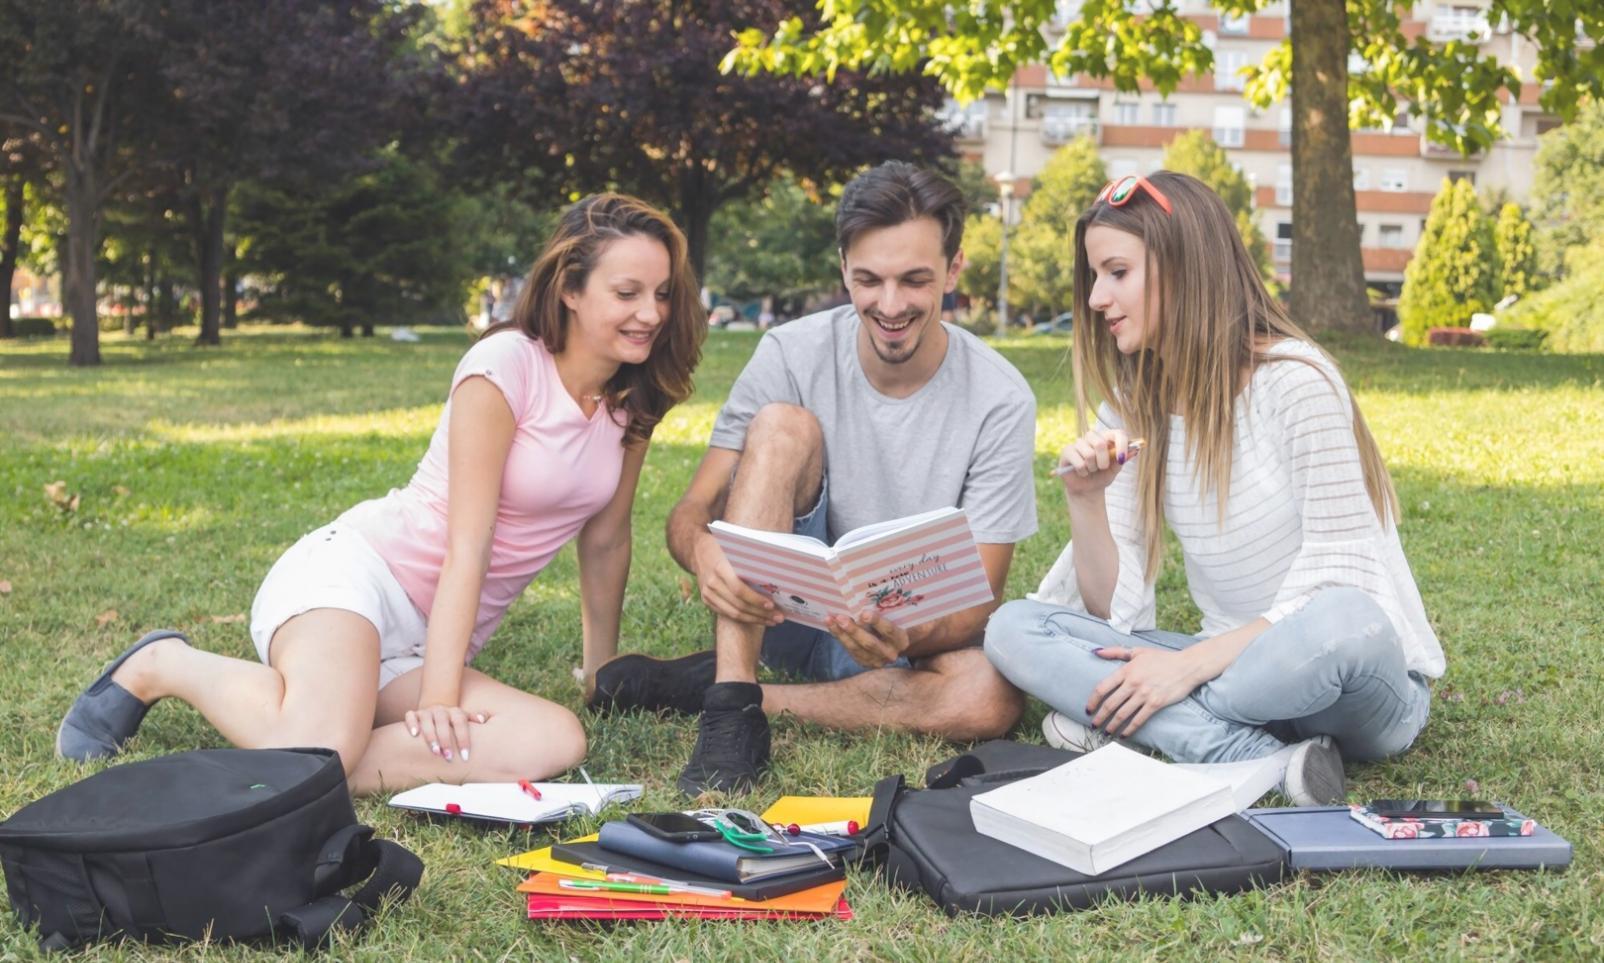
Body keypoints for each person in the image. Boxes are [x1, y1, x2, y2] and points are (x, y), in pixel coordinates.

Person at [56, 194, 706, 796]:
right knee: (321, 748)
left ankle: (311, 752)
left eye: (662, 294)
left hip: (425, 642)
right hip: (357, 583)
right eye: (627, 292)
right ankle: (166, 663)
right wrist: (443, 698)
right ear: (568, 288)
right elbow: (468, 541)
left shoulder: (633, 397)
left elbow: (606, 537)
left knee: (555, 736)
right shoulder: (507, 365)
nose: (650, 313)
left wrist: (601, 670)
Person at [982, 172, 1444, 805]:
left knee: (1338, 617)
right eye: (1095, 275)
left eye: (1117, 273)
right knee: (1014, 627)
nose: (1095, 297)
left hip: (1340, 675)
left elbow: (1343, 582)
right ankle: (1253, 756)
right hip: (1227, 667)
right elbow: (1113, 615)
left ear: (1182, 268)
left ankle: (1146, 729)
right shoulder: (1132, 405)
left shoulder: (1299, 382)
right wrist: (1086, 500)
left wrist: (1186, 668)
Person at [590, 162, 1039, 794]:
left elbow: (977, 604)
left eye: (915, 281)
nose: (890, 305)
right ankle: (732, 717)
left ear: (954, 269)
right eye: (868, 280)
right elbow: (689, 513)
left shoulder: (1000, 397)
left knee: (989, 700)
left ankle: (730, 690)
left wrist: (905, 633)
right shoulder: (790, 351)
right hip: (780, 615)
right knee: (782, 425)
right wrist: (704, 551)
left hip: (900, 640)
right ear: (842, 270)